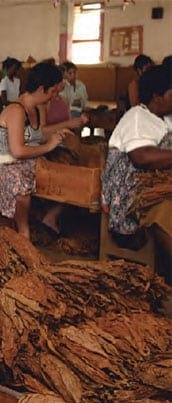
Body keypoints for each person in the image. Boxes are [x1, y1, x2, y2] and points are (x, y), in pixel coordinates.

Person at [0, 62, 73, 240]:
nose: (54, 96)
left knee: (70, 176)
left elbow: (36, 137)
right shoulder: (15, 110)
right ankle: (23, 231)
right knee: (21, 185)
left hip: (27, 164)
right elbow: (18, 151)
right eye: (52, 92)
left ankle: (50, 218)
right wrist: (49, 146)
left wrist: (55, 136)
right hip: (5, 168)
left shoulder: (37, 109)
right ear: (42, 89)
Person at [101, 64, 172, 267]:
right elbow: (141, 157)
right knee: (164, 210)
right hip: (132, 193)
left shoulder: (165, 118)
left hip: (153, 185)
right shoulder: (137, 117)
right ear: (157, 97)